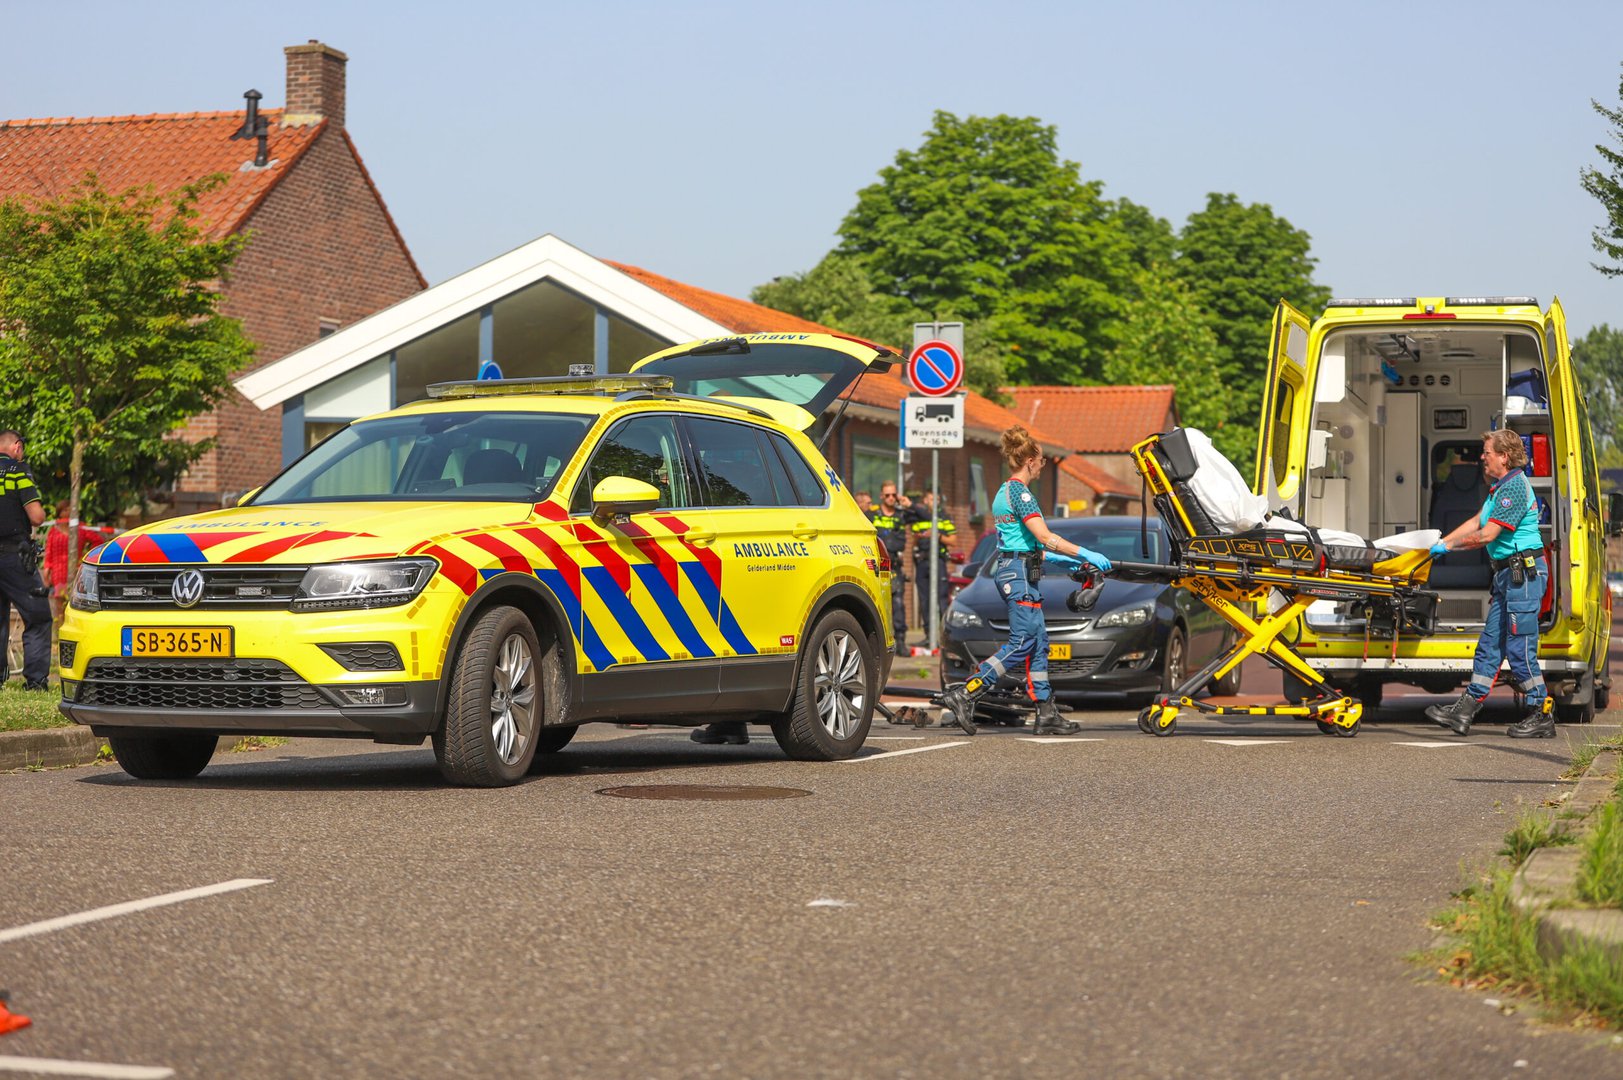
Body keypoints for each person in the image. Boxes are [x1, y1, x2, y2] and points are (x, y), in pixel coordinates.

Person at [935, 427, 1112, 736]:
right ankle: (967, 692)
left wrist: (1072, 563)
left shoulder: (1004, 492)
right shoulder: (1022, 494)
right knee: (1023, 642)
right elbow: (1044, 537)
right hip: (1019, 574)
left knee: (1038, 642)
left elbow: (1028, 546)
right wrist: (1085, 552)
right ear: (1030, 461)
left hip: (1017, 568)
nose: (1043, 465)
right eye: (1041, 460)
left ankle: (1046, 712)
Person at [1425, 428, 1553, 738]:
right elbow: (1476, 521)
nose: (1482, 457)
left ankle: (1541, 713)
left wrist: (1449, 547)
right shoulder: (1499, 489)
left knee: (1519, 647)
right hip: (1509, 576)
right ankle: (1465, 710)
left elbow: (1486, 535)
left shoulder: (1515, 488)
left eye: (1487, 453)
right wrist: (1439, 541)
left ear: (1504, 456)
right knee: (1490, 645)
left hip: (1523, 575)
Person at [0, 431, 50, 691]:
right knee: (38, 615)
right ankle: (36, 680)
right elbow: (37, 516)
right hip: (14, 556)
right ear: (17, 447)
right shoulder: (17, 471)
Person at [907, 490, 957, 633]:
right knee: (924, 600)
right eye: (931, 499)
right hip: (923, 562)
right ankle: (928, 635)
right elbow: (914, 540)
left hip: (938, 561)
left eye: (937, 500)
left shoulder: (944, 517)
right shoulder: (919, 519)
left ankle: (943, 634)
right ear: (925, 501)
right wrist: (919, 536)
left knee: (941, 598)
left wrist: (936, 535)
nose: (935, 502)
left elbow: (953, 541)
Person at [871, 481, 910, 655]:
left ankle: (901, 641)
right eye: (887, 495)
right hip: (878, 567)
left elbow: (924, 516)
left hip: (895, 567)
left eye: (894, 495)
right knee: (878, 604)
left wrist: (909, 504)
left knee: (898, 604)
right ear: (881, 496)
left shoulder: (901, 515)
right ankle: (878, 644)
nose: (891, 498)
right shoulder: (873, 515)